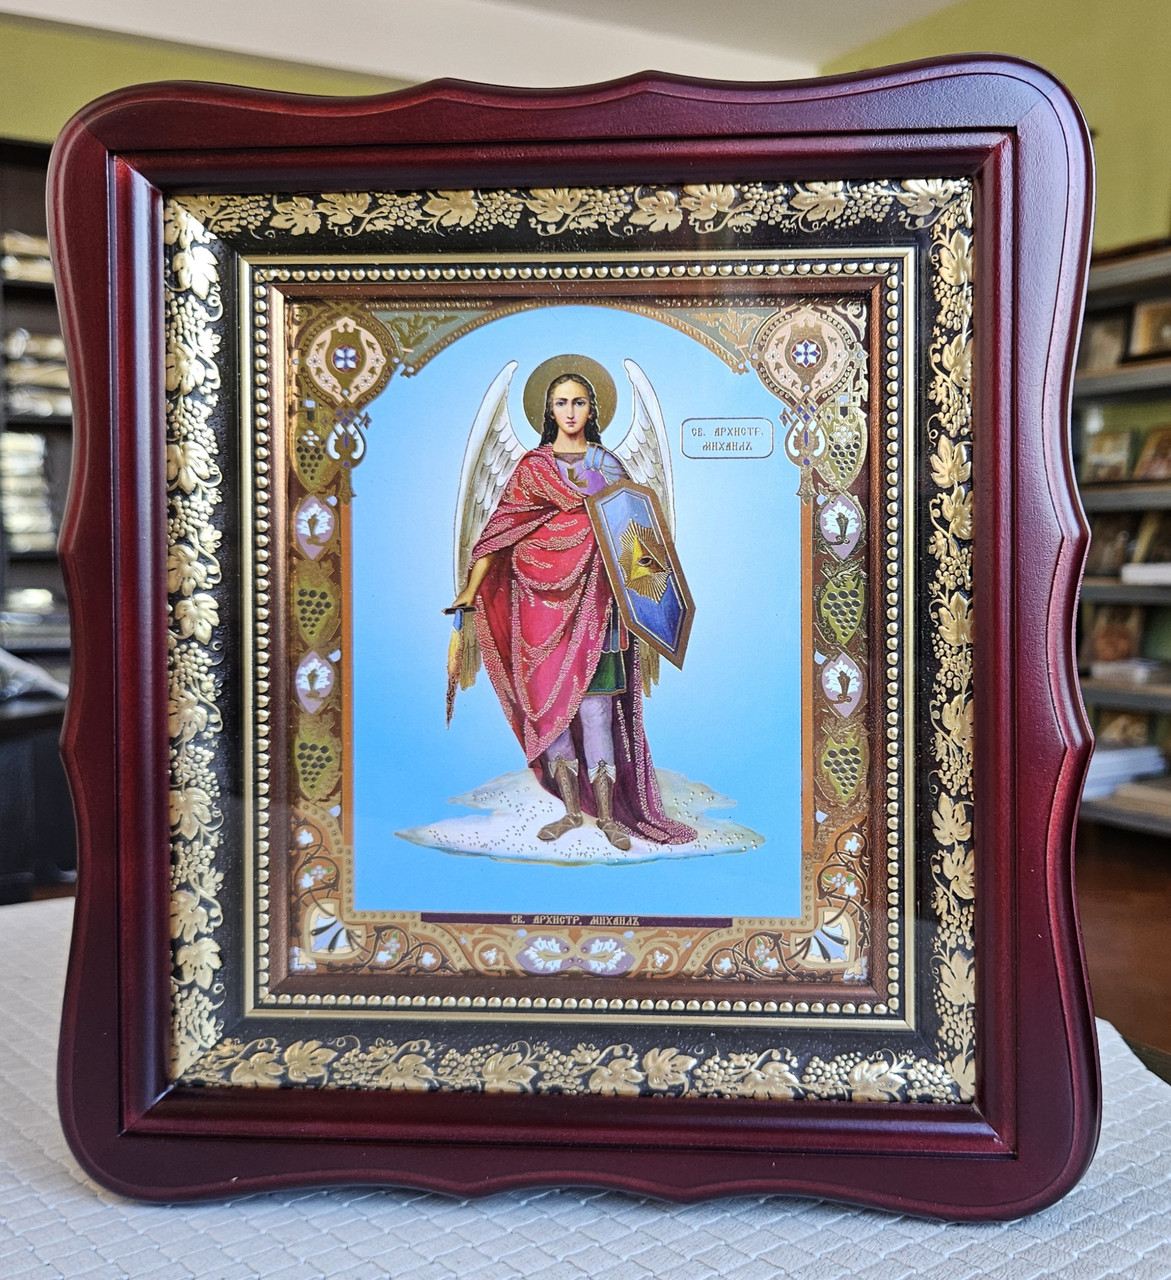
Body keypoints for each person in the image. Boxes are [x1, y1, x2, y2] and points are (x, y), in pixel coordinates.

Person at [451, 371, 694, 849]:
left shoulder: (609, 467)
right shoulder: (531, 468)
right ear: (548, 410)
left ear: (592, 409)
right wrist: (469, 591)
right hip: (537, 611)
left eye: (579, 402)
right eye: (561, 402)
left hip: (596, 606)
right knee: (551, 716)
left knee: (597, 711)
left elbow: (636, 536)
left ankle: (606, 816)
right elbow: (496, 535)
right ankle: (570, 812)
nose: (569, 411)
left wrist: (647, 592)